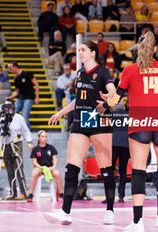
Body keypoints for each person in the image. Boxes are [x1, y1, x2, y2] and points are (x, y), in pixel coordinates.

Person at [102, 31, 158, 231]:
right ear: (154, 49)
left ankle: (138, 222)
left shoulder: (129, 70)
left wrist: (106, 101)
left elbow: (116, 101)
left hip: (140, 123)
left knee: (138, 172)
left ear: (139, 48)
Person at [44, 40, 116, 225]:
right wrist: (61, 112)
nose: (80, 52)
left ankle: (109, 210)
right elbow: (79, 99)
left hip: (100, 119)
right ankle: (65, 211)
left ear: (93, 53)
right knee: (71, 167)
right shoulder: (80, 72)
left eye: (83, 50)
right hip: (81, 120)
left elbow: (112, 90)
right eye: (79, 50)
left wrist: (109, 97)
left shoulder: (102, 72)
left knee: (105, 168)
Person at [0, 101, 33, 200]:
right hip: (5, 144)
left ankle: (24, 192)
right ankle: (13, 193)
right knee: (9, 170)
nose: (7, 108)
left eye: (9, 106)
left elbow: (26, 131)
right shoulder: (2, 119)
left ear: (13, 107)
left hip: (16, 144)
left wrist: (29, 142)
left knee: (19, 168)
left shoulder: (19, 118)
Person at [27, 130, 64, 202]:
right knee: (34, 173)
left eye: (46, 137)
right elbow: (34, 162)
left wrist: (53, 166)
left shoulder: (51, 148)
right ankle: (30, 194)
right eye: (43, 137)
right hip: (39, 168)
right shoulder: (35, 149)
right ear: (39, 138)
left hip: (50, 167)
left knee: (57, 173)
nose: (44, 138)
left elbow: (55, 159)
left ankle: (61, 194)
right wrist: (41, 168)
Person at [6, 61, 40, 129]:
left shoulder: (27, 74)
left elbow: (36, 84)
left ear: (15, 67)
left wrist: (37, 97)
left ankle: (27, 133)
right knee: (12, 112)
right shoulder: (16, 79)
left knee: (24, 115)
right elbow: (17, 91)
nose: (9, 70)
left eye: (10, 68)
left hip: (29, 98)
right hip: (20, 98)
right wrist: (10, 97)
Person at [110, 102, 130, 203]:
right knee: (123, 171)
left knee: (110, 170)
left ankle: (109, 195)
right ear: (124, 107)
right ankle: (121, 195)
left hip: (113, 144)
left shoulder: (111, 115)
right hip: (126, 145)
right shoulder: (129, 116)